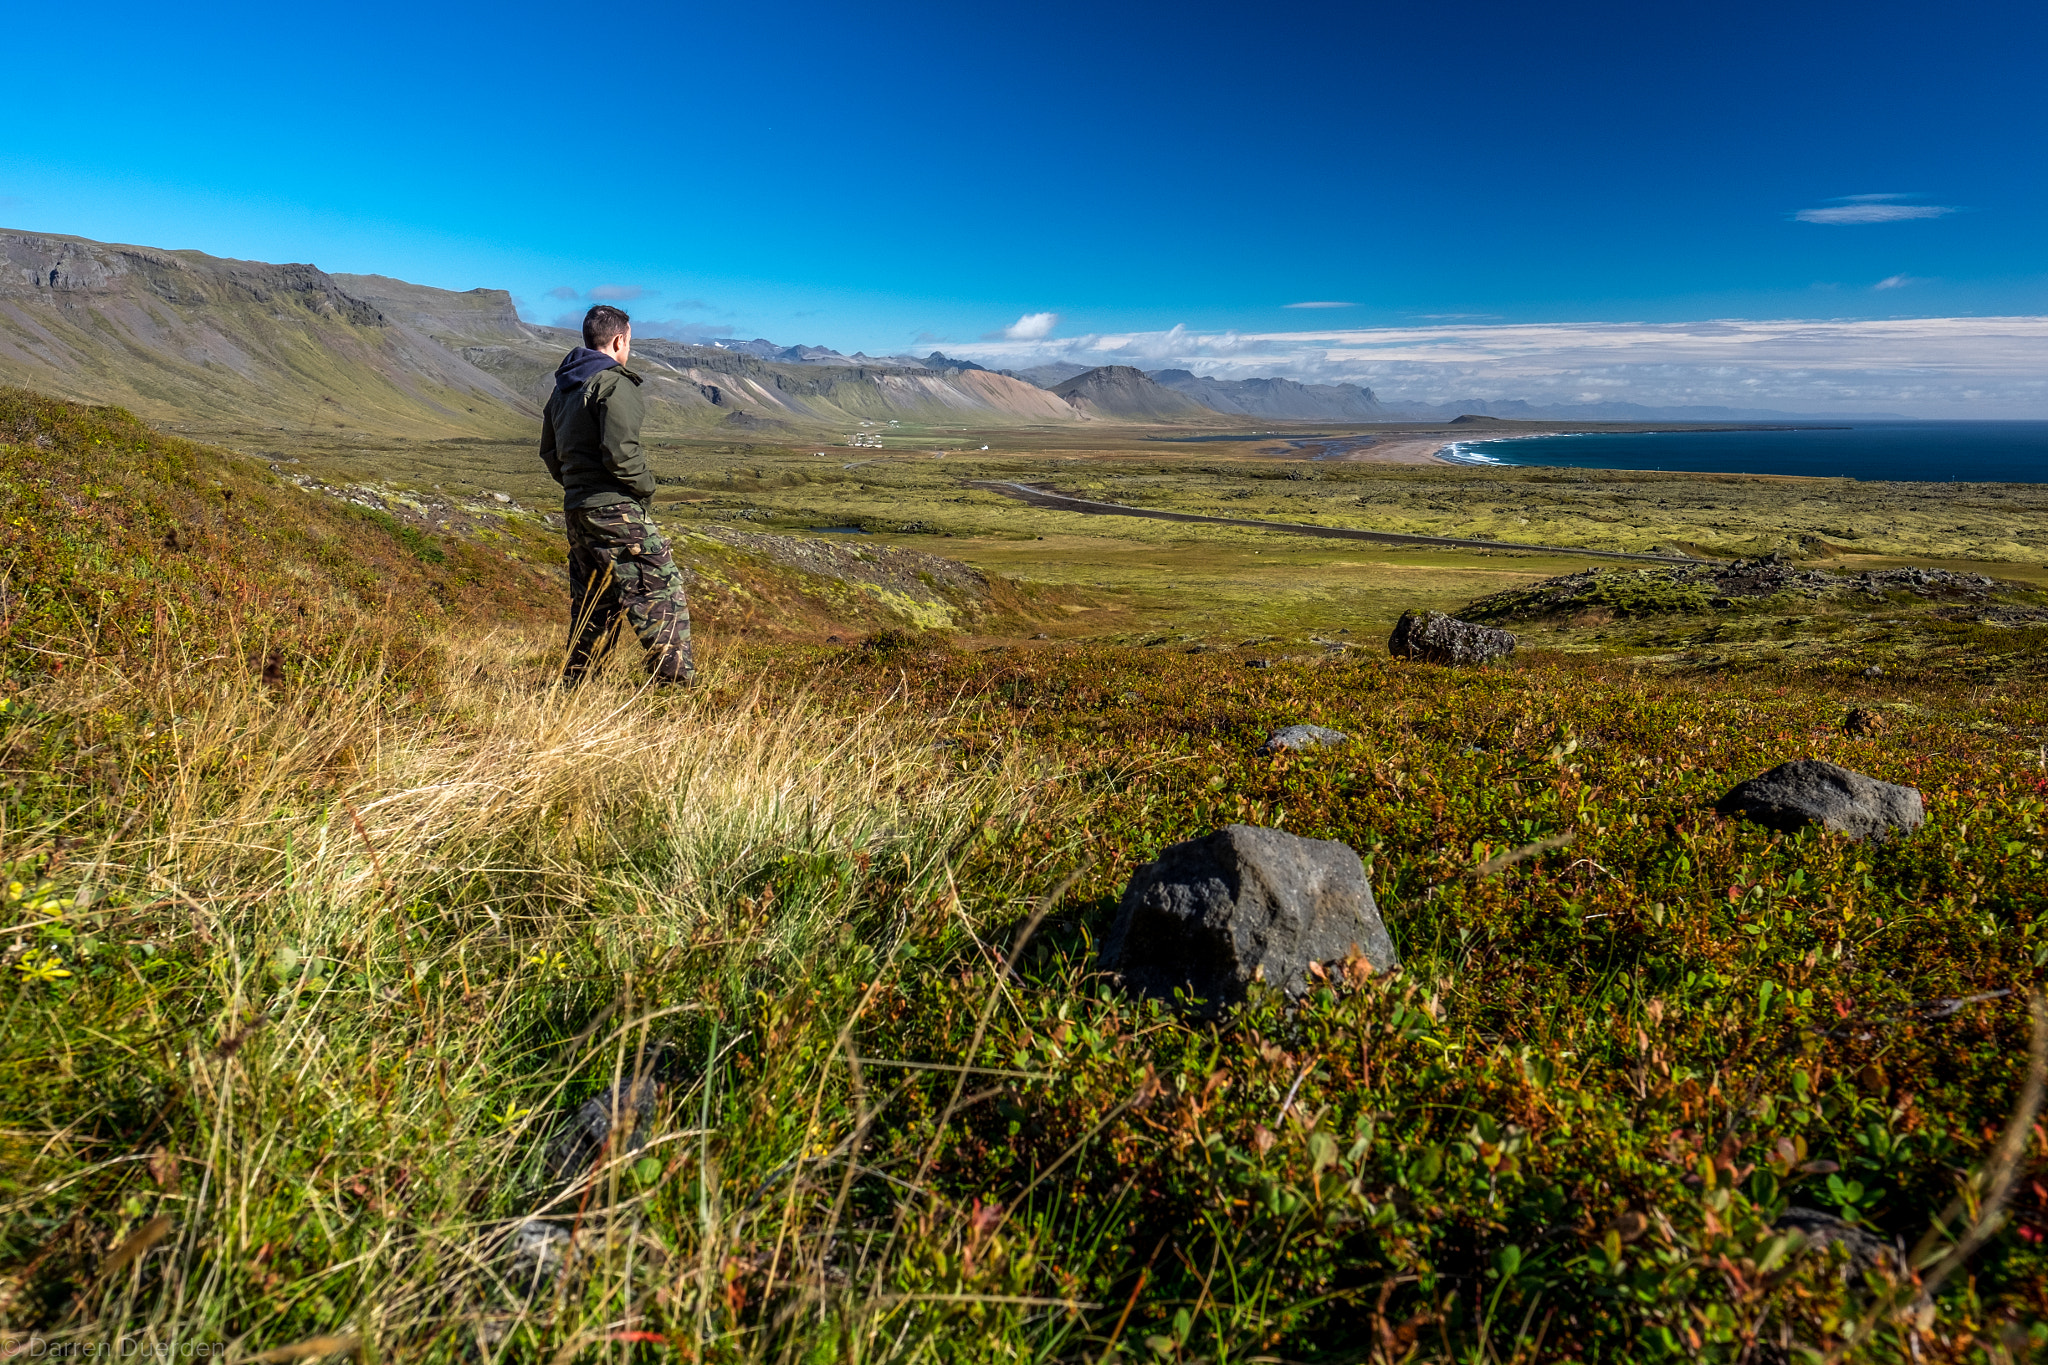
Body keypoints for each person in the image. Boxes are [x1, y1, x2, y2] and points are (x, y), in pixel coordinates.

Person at [539, 305, 694, 686]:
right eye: (630, 342)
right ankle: (675, 694)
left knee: (594, 605)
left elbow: (549, 452)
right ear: (619, 339)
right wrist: (645, 489)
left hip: (577, 511)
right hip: (616, 511)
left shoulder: (563, 391)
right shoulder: (613, 383)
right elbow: (621, 452)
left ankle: (577, 690)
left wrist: (577, 487)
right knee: (659, 594)